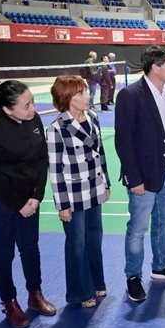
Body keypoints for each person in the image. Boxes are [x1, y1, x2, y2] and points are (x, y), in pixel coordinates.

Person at [0, 80, 56, 328]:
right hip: (0, 201)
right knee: (3, 254)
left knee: (30, 248)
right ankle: (9, 303)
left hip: (30, 200)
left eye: (32, 101)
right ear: (8, 109)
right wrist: (18, 204)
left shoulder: (33, 120)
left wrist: (36, 196)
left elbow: (42, 158)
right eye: (26, 104)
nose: (33, 108)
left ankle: (35, 294)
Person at [115, 46, 165, 302]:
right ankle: (133, 276)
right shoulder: (130, 95)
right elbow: (124, 141)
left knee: (162, 223)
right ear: (155, 67)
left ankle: (160, 266)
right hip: (142, 178)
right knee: (137, 228)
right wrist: (134, 179)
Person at [47, 75, 110, 308]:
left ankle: (97, 282)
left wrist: (107, 183)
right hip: (73, 196)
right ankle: (81, 291)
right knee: (77, 244)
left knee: (95, 239)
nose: (87, 96)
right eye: (81, 93)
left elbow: (100, 153)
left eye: (85, 91)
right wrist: (62, 205)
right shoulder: (57, 128)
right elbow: (55, 170)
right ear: (67, 98)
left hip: (94, 189)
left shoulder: (93, 117)